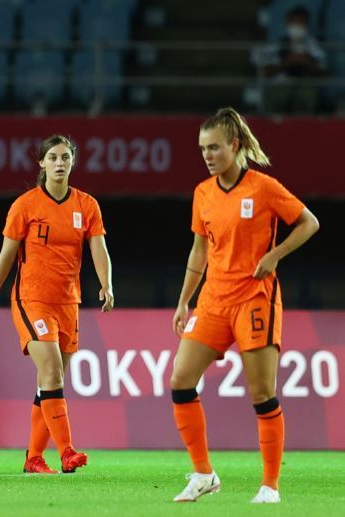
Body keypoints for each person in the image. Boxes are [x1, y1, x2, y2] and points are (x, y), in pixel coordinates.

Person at [169, 107, 319, 504]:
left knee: (261, 394)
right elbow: (199, 251)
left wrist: (275, 256)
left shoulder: (264, 188)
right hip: (214, 300)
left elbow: (309, 222)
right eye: (203, 148)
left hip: (255, 299)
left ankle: (270, 486)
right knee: (181, 381)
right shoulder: (202, 193)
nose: (207, 155)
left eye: (214, 147)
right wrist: (184, 301)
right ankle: (203, 474)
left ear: (234, 146)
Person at [0, 134, 114, 475]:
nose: (60, 163)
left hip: (69, 302)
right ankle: (67, 451)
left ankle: (33, 458)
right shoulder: (25, 206)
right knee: (51, 371)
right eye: (53, 157)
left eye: (65, 157)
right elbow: (6, 257)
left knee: (49, 380)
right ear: (41, 163)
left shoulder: (87, 206)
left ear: (73, 162)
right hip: (31, 299)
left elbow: (99, 249)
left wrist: (106, 284)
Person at [260, 6, 327, 114]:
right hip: (281, 84)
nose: (297, 26)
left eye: (301, 22)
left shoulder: (314, 46)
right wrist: (287, 62)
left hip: (305, 85)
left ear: (307, 25)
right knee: (275, 94)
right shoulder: (275, 46)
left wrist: (306, 62)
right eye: (294, 22)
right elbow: (266, 72)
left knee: (308, 94)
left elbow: (323, 73)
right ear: (287, 23)